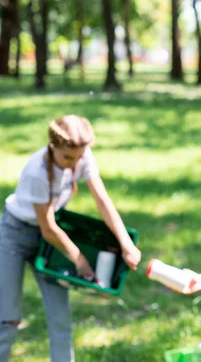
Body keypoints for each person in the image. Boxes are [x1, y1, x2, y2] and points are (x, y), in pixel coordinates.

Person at [0, 115, 142, 362]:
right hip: (15, 236)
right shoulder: (38, 171)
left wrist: (125, 243)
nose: (73, 164)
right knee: (7, 319)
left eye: (78, 158)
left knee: (60, 319)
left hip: (49, 240)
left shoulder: (81, 156)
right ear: (53, 146)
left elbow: (102, 201)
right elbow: (49, 228)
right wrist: (80, 261)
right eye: (67, 157)